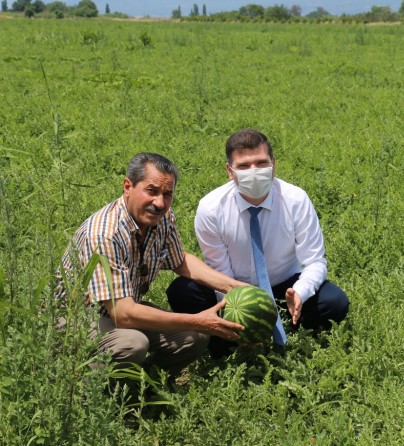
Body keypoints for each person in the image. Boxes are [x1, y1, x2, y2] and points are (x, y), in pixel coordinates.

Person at [58, 153, 247, 377]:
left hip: (121, 308)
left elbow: (181, 261)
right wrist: (198, 320)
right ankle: (89, 394)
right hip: (74, 318)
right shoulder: (104, 234)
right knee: (133, 343)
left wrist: (233, 287)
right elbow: (123, 314)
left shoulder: (162, 217)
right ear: (128, 186)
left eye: (167, 194)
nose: (159, 203)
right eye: (152, 191)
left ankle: (146, 386)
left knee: (194, 337)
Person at [167, 128, 349, 356]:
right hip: (232, 285)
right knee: (182, 291)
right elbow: (219, 269)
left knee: (335, 302)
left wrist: (300, 293)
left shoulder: (295, 200)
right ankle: (224, 341)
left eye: (261, 163)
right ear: (229, 171)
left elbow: (315, 261)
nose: (254, 171)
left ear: (274, 163)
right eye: (243, 166)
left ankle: (290, 328)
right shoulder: (211, 208)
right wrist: (240, 313)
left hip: (285, 283)